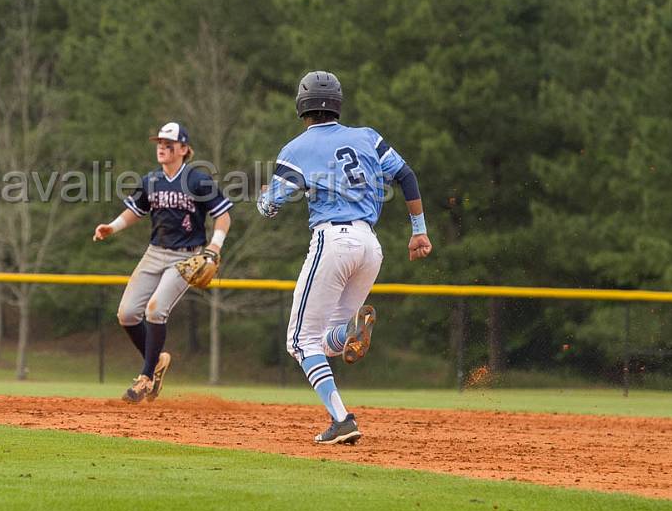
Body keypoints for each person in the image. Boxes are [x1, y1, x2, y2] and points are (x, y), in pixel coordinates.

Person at [256, 71, 432, 444]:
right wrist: (418, 230)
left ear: (302, 105)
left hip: (333, 240)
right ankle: (350, 332)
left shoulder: (296, 149)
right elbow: (407, 176)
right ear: (337, 103)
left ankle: (341, 419)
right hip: (370, 246)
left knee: (300, 343)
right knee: (326, 342)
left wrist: (263, 198)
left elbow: (271, 206)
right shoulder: (367, 137)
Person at [94, 121, 233, 402]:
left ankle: (146, 378)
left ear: (183, 149)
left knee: (155, 311)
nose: (162, 148)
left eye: (168, 144)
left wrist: (214, 247)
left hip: (186, 257)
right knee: (127, 314)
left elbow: (223, 215)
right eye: (159, 143)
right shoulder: (151, 180)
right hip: (155, 252)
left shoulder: (198, 180)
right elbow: (136, 211)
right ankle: (157, 361)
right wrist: (112, 227)